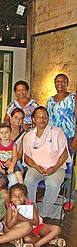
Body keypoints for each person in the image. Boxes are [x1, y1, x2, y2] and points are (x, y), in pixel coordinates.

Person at [23, 106, 70, 218]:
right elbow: (26, 157)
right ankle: (31, 211)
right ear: (33, 119)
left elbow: (64, 154)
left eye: (45, 117)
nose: (42, 119)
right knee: (28, 180)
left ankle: (43, 214)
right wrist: (36, 166)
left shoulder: (58, 132)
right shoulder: (28, 136)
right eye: (39, 117)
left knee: (53, 184)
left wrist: (54, 168)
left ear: (48, 118)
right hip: (36, 167)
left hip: (56, 167)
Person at [46, 73, 77, 210]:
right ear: (54, 83)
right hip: (53, 138)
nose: (60, 84)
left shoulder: (73, 98)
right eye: (58, 81)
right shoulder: (50, 100)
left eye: (63, 81)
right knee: (54, 164)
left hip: (69, 137)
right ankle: (56, 194)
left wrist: (76, 139)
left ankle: (70, 197)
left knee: (69, 166)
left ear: (67, 83)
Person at [7, 183, 66, 247]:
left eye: (20, 195)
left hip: (37, 227)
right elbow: (9, 226)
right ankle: (50, 240)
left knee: (57, 229)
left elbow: (36, 222)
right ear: (11, 198)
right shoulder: (11, 208)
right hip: (27, 232)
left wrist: (22, 218)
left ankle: (35, 245)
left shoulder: (30, 204)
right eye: (14, 196)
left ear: (25, 196)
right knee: (27, 239)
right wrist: (15, 218)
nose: (18, 198)